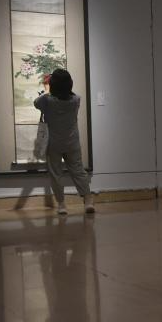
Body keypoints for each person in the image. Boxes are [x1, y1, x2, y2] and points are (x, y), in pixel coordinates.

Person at [34, 69, 93, 215]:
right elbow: (69, 94)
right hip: (72, 142)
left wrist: (48, 90)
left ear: (52, 84)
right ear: (70, 84)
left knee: (56, 174)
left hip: (53, 144)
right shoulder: (76, 100)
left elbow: (36, 103)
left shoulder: (46, 100)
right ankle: (88, 201)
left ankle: (61, 205)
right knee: (78, 171)